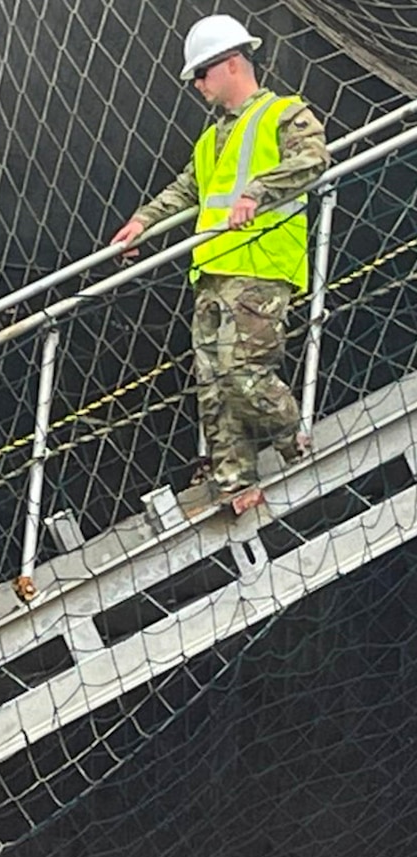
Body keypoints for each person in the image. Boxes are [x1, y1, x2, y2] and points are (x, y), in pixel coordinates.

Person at [110, 14, 331, 515]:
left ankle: (289, 435)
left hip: (260, 267)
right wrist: (144, 221)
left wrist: (257, 192)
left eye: (202, 74)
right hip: (212, 273)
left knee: (241, 374)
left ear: (232, 64)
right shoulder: (211, 140)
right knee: (212, 386)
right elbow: (187, 189)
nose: (197, 85)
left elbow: (312, 159)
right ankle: (236, 482)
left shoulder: (284, 113)